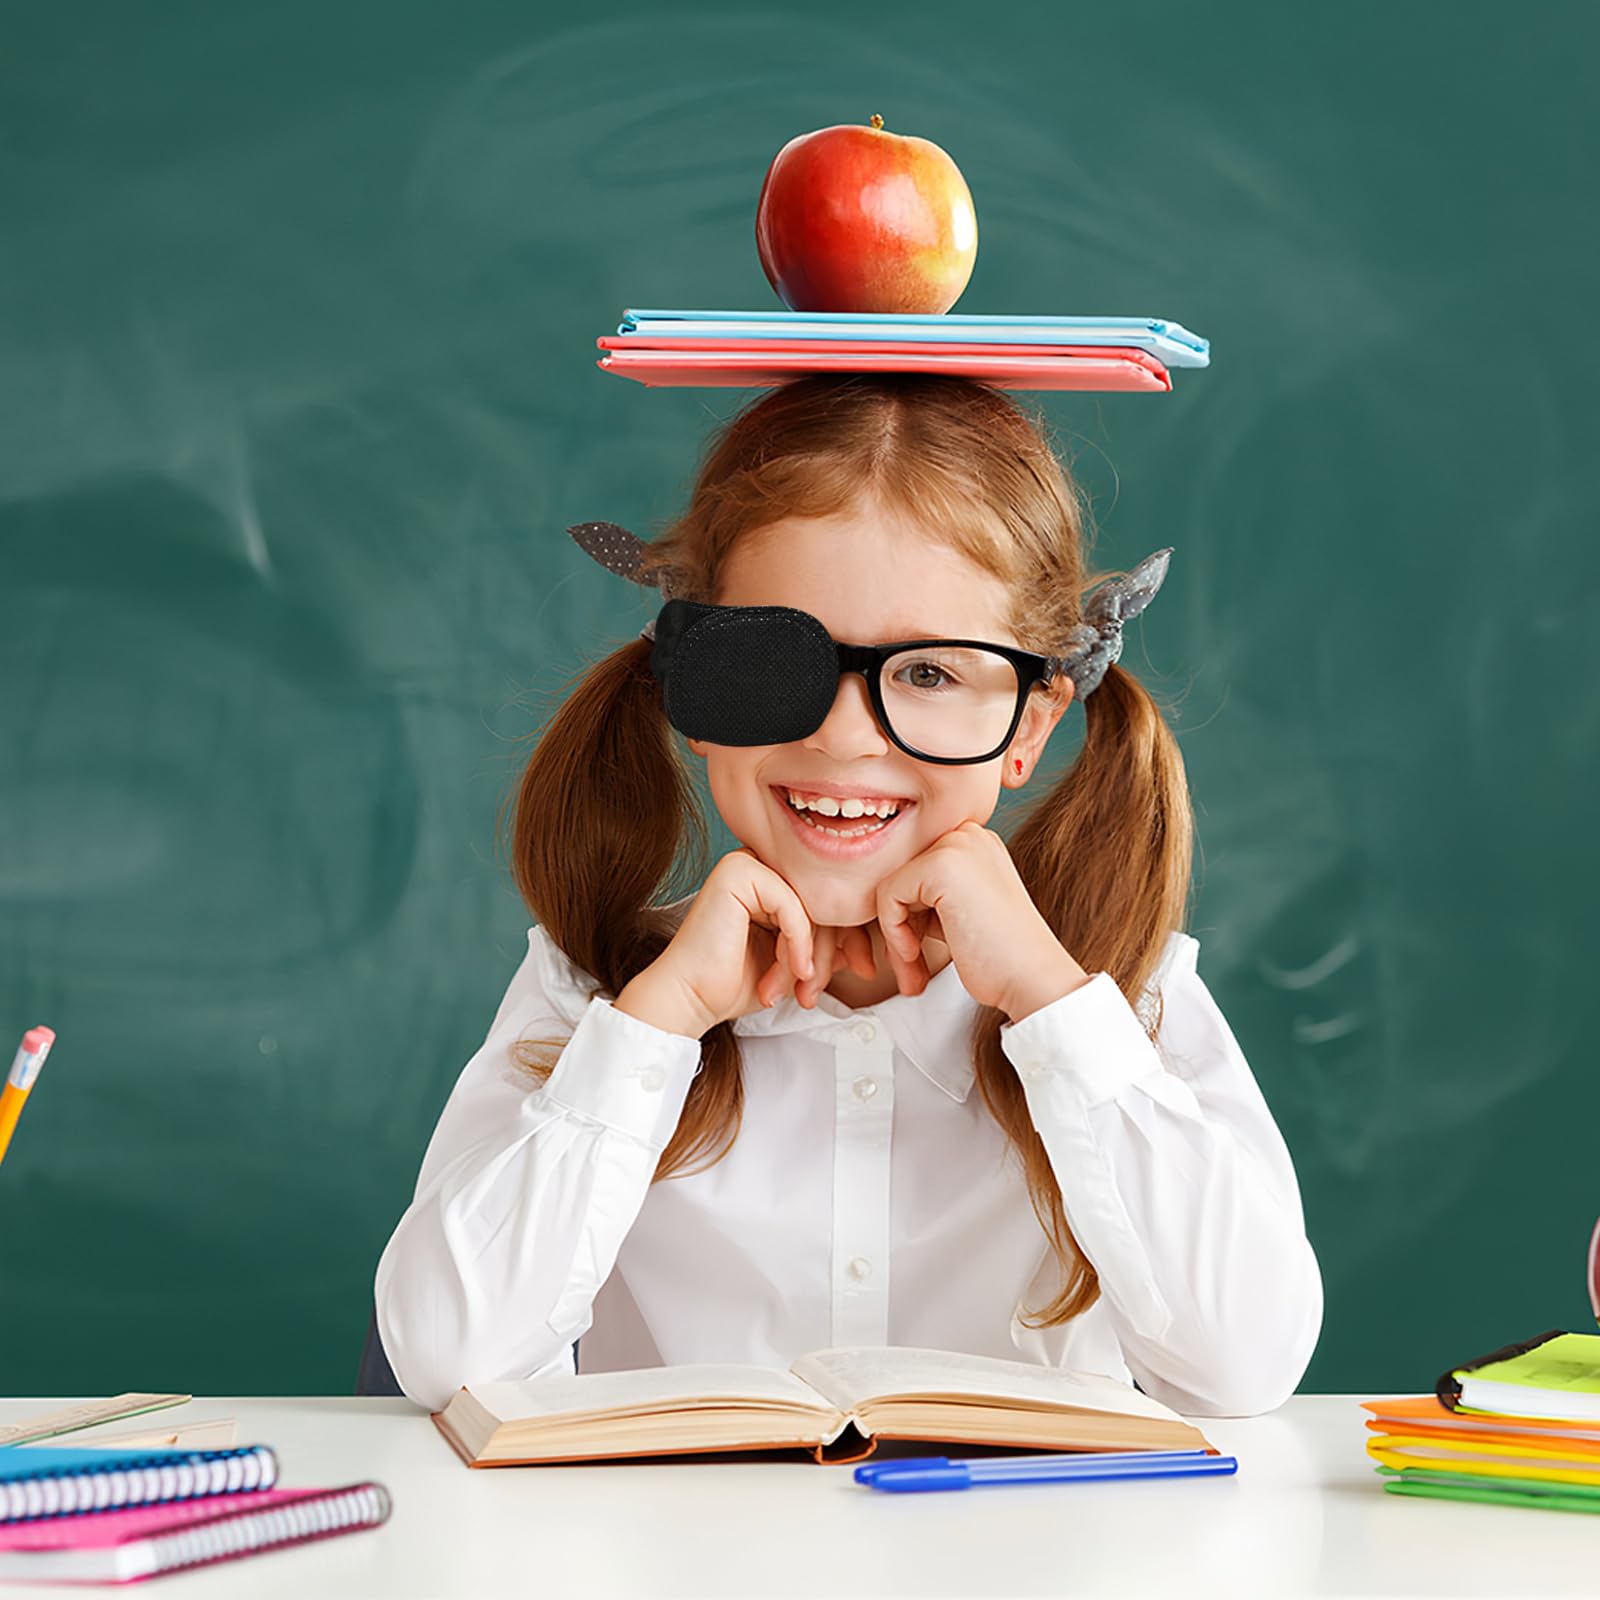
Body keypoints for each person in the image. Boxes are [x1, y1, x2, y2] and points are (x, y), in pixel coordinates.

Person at [374, 374, 1323, 1418]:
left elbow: (1243, 1365)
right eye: (779, 660)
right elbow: (444, 1357)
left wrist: (1053, 1004)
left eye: (928, 676)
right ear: (695, 685)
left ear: (1030, 726)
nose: (843, 735)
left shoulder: (1124, 997)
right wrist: (655, 1026)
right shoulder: (594, 993)